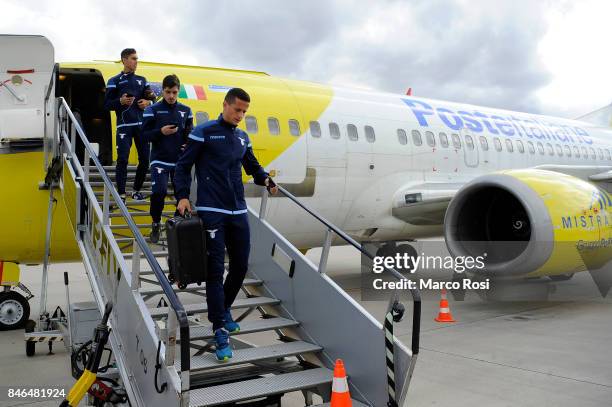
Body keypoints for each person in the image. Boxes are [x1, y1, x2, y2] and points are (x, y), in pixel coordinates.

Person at [174, 88, 278, 361]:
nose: (240, 116)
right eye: (237, 110)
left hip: (238, 210)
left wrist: (266, 179)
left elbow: (252, 167)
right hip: (211, 210)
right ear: (225, 105)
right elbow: (183, 166)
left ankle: (222, 310)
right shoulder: (204, 132)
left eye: (245, 112)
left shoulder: (242, 138)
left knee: (241, 265)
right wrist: (183, 196)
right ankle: (220, 328)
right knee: (215, 270)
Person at [141, 74, 193, 243]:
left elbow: (189, 134)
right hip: (159, 160)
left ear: (178, 92)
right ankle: (156, 223)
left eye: (175, 92)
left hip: (179, 161)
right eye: (168, 92)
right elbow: (144, 136)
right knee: (159, 192)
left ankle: (175, 224)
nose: (171, 96)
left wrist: (188, 144)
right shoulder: (152, 109)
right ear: (162, 91)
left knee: (182, 197)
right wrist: (160, 132)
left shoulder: (186, 111)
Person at [103, 48, 156, 202]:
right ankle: (121, 193)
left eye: (137, 58)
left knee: (145, 160)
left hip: (141, 126)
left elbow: (154, 99)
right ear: (124, 60)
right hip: (124, 127)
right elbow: (106, 105)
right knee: (123, 159)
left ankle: (136, 190)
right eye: (133, 58)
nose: (136, 61)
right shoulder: (114, 80)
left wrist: (148, 102)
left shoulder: (142, 79)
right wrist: (120, 102)